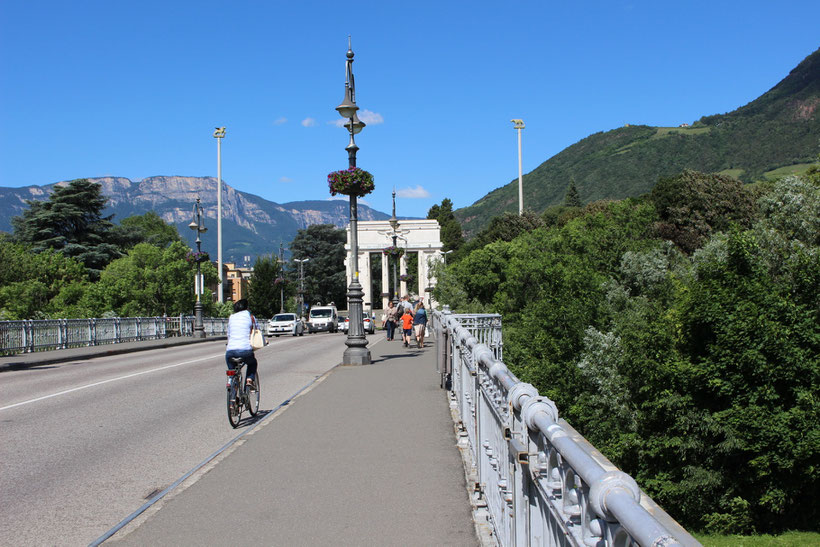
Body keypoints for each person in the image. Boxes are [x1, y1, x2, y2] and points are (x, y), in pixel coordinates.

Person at [225, 299, 259, 386]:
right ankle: (249, 380)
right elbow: (257, 331)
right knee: (252, 363)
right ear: (246, 307)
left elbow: (229, 334)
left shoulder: (231, 317)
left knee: (232, 371)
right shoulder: (250, 317)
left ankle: (232, 388)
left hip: (230, 351)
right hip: (245, 351)